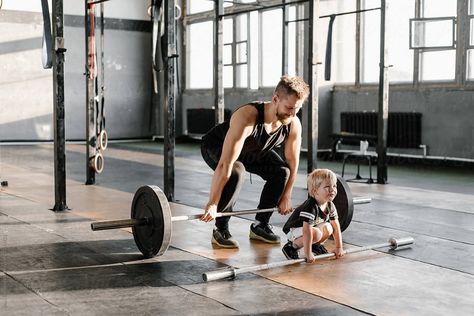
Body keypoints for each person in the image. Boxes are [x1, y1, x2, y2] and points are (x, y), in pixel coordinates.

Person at [199, 75, 310, 248]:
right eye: (289, 107)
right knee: (236, 170)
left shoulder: (292, 123)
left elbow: (293, 163)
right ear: (275, 99)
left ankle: (260, 225)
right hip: (216, 147)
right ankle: (220, 229)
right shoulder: (248, 116)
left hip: (253, 151)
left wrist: (286, 196)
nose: (293, 113)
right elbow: (225, 164)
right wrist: (213, 203)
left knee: (282, 172)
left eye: (297, 108)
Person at [281, 168, 344, 262]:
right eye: (327, 186)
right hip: (293, 230)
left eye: (334, 186)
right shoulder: (310, 207)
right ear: (315, 191)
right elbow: (307, 231)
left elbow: (336, 225)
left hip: (310, 229)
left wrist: (339, 247)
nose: (332, 189)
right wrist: (308, 253)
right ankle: (291, 247)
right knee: (317, 234)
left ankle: (315, 245)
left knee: (329, 227)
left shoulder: (330, 205)